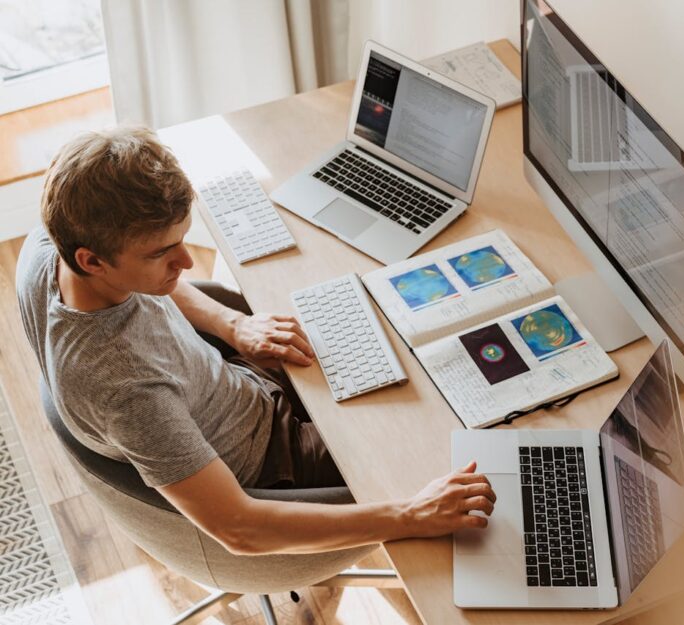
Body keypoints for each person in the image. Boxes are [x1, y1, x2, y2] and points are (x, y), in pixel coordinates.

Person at [16, 126, 495, 555]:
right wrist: (410, 516)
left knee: (400, 341)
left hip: (235, 385)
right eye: (162, 253)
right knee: (452, 452)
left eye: (183, 239)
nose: (185, 263)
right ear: (92, 260)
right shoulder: (125, 390)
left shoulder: (53, 242)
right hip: (272, 463)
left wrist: (232, 326)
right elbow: (240, 529)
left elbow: (71, 171)